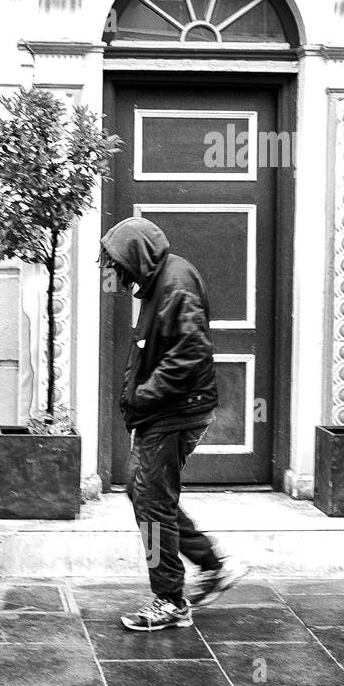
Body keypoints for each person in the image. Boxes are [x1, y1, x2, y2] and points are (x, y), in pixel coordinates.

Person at [98, 216, 248, 631]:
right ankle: (213, 565)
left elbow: (190, 355)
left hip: (173, 413)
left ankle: (169, 600)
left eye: (116, 263)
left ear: (135, 256)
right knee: (146, 494)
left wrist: (142, 395)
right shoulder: (160, 280)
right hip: (166, 412)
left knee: (150, 501)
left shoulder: (175, 284)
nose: (114, 273)